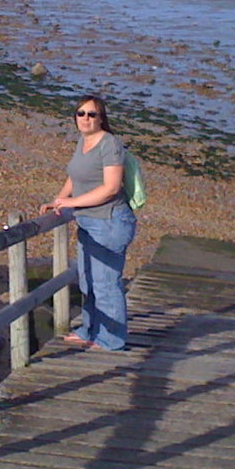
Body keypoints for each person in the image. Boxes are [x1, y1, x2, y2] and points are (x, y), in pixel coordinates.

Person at [39, 94, 137, 351]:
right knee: (88, 281)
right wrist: (60, 199)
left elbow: (111, 188)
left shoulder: (110, 144)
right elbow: (74, 176)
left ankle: (111, 339)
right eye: (81, 113)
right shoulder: (83, 141)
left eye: (91, 114)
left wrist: (72, 203)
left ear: (101, 118)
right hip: (88, 222)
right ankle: (89, 330)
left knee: (106, 283)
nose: (85, 118)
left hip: (110, 222)